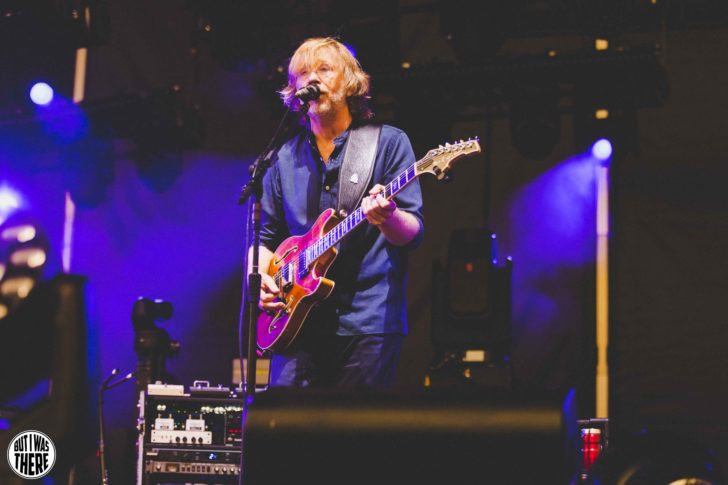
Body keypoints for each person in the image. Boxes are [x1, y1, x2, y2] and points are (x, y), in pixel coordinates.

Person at [253, 37, 424, 387]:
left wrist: (388, 217)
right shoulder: (281, 158)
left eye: (324, 69)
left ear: (349, 82)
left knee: (355, 424)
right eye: (303, 74)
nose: (312, 79)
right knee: (283, 420)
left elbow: (412, 233)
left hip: (367, 323)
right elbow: (263, 242)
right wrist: (262, 279)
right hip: (297, 320)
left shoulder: (388, 143)